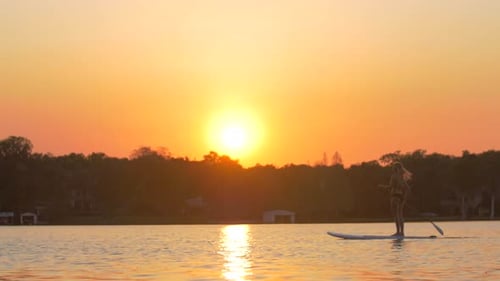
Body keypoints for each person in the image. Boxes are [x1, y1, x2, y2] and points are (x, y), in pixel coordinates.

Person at [379, 162, 412, 236]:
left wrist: (382, 187)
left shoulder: (394, 176)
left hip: (394, 196)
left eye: (393, 167)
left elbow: (390, 187)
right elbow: (408, 189)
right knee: (400, 215)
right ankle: (402, 232)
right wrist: (404, 199)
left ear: (396, 168)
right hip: (400, 197)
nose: (392, 168)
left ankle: (398, 232)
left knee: (396, 215)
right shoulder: (401, 177)